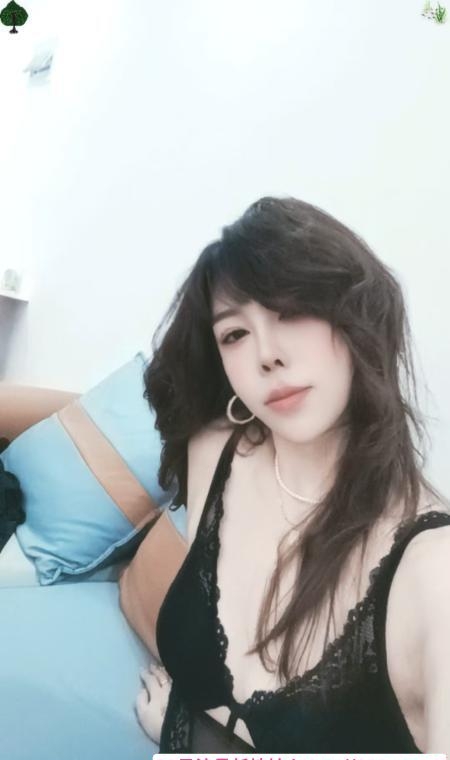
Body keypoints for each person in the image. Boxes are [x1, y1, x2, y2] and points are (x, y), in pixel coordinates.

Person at [134, 196, 450, 752]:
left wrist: (189, 737)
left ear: (358, 318)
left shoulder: (433, 573)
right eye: (234, 334)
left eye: (293, 310)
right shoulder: (216, 451)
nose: (267, 355)